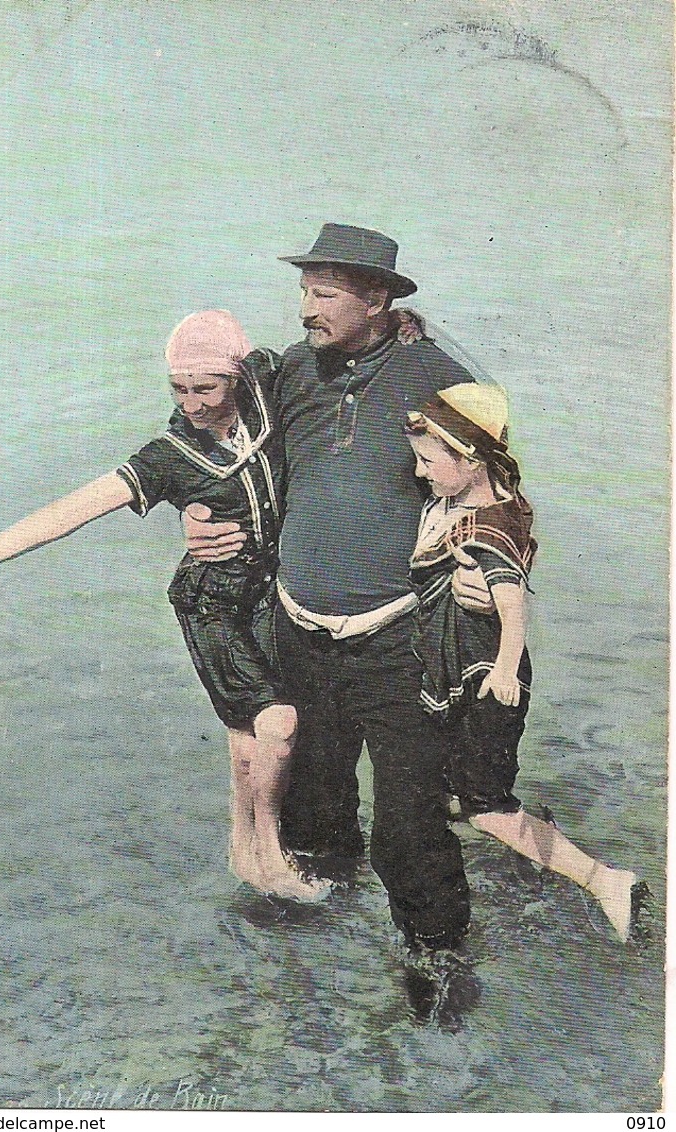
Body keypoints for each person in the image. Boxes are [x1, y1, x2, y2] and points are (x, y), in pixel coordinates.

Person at [0, 309, 329, 904]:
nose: (194, 404)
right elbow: (72, 511)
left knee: (245, 735)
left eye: (207, 388)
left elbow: (312, 355)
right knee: (278, 725)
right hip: (212, 602)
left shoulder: (263, 395)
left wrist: (405, 324)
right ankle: (271, 853)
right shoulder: (170, 455)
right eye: (180, 389)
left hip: (268, 593)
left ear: (235, 376)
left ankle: (242, 848)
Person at [185, 223, 487, 954]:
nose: (303, 309)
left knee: (410, 827)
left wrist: (484, 572)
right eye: (303, 291)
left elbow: (492, 488)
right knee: (317, 807)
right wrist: (198, 512)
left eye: (323, 294)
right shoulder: (291, 370)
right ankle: (318, 942)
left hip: (399, 638)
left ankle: (439, 960)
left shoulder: (437, 378)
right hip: (298, 631)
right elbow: (207, 425)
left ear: (378, 297)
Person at [404, 382, 637, 942]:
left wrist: (505, 669)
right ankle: (539, 837)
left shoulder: (485, 530)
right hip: (460, 669)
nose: (418, 472)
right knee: (460, 792)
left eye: (429, 460)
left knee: (481, 807)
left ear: (470, 458)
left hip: (485, 678)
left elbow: (510, 603)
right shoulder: (480, 500)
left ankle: (606, 881)